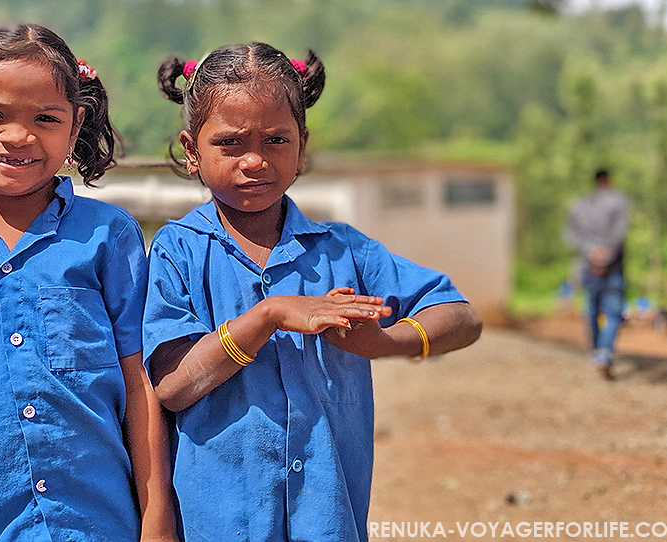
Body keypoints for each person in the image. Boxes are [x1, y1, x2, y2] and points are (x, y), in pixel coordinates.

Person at [143, 43, 482, 542]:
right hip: (218, 526)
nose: (254, 160)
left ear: (303, 147)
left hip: (328, 521)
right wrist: (269, 315)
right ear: (192, 150)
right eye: (231, 143)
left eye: (276, 139)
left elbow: (462, 317)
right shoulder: (178, 251)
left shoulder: (344, 251)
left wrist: (385, 343)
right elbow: (172, 387)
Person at [0, 25, 176, 542]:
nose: (18, 136)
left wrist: (156, 520)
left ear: (74, 127)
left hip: (93, 525)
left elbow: (139, 385)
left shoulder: (110, 238)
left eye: (45, 118)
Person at [564, 168, 629, 379]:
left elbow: (570, 234)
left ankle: (595, 352)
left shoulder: (580, 205)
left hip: (587, 264)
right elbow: (620, 232)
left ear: (594, 181)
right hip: (613, 266)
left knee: (591, 309)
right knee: (613, 311)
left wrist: (591, 252)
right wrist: (605, 256)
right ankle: (604, 352)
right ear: (608, 180)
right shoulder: (619, 202)